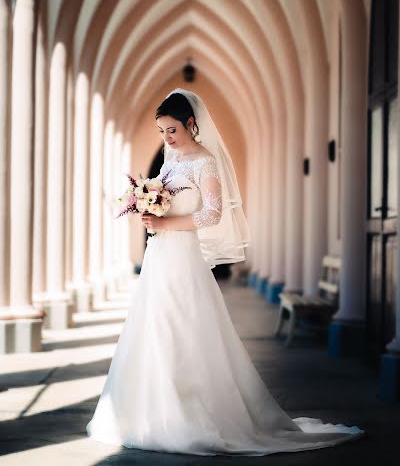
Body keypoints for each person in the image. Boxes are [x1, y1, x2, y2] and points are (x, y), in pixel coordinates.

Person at [86, 88, 366, 456]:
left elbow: (212, 214)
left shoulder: (206, 162)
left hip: (184, 257)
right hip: (160, 257)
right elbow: (166, 206)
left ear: (190, 123)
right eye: (160, 131)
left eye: (171, 130)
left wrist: (166, 224)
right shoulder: (169, 162)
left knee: (186, 327)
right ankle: (151, 410)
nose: (166, 138)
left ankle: (194, 414)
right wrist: (148, 212)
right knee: (154, 326)